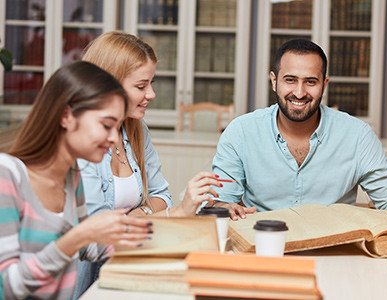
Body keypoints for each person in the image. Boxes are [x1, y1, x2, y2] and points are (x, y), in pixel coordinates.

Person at [210, 39, 387, 224]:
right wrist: (222, 206)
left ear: (324, 84)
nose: (299, 93)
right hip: (265, 247)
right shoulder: (240, 132)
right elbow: (221, 202)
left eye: (310, 81)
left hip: (337, 252)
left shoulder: (357, 135)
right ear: (274, 80)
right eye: (290, 80)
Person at [74, 31, 222, 297]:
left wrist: (139, 213)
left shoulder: (136, 129)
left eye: (151, 83)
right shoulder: (82, 142)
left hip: (127, 265)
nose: (151, 94)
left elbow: (161, 195)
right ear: (109, 85)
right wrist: (166, 213)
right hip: (87, 284)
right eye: (141, 86)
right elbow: (94, 238)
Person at [0, 61, 152, 299]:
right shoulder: (7, 174)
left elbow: (89, 247)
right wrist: (78, 236)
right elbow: (9, 286)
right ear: (66, 116)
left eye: (118, 127)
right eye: (106, 125)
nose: (114, 138)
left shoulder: (72, 176)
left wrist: (157, 234)